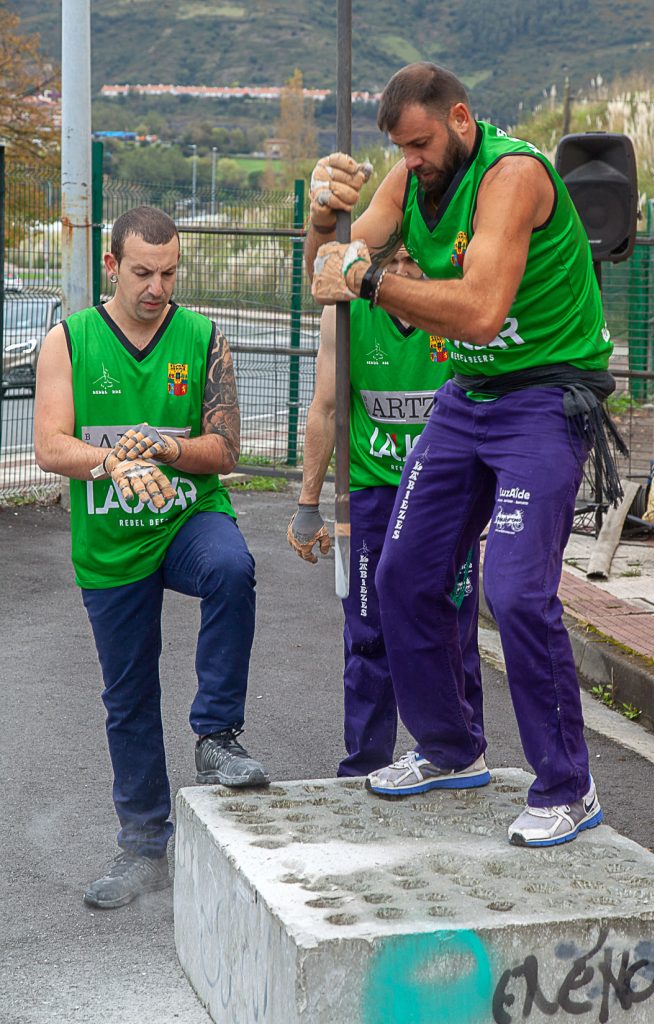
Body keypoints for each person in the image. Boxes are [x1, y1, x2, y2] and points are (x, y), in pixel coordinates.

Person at [304, 62, 619, 848]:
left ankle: (567, 788)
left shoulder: (510, 175)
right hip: (468, 398)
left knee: (514, 591)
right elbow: (329, 271)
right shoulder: (408, 175)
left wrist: (367, 276)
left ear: (460, 118)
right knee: (402, 571)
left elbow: (478, 313)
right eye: (400, 149)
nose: (409, 161)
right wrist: (320, 217)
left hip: (543, 398)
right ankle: (449, 749)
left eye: (419, 143)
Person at [34, 205, 269, 909]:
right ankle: (143, 846)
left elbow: (225, 450)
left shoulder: (200, 338)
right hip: (110, 541)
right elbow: (49, 446)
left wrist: (166, 447)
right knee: (128, 696)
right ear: (111, 266)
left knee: (232, 567)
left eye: (168, 272)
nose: (156, 286)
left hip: (184, 520)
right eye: (142, 271)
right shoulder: (70, 341)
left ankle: (217, 735)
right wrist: (110, 463)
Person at [287, 248, 485, 781]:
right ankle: (366, 762)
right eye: (390, 259)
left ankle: (463, 752)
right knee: (368, 630)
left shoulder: (456, 307)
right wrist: (308, 504)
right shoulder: (346, 314)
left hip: (446, 490)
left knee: (453, 625)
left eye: (413, 260)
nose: (402, 272)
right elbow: (326, 408)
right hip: (374, 489)